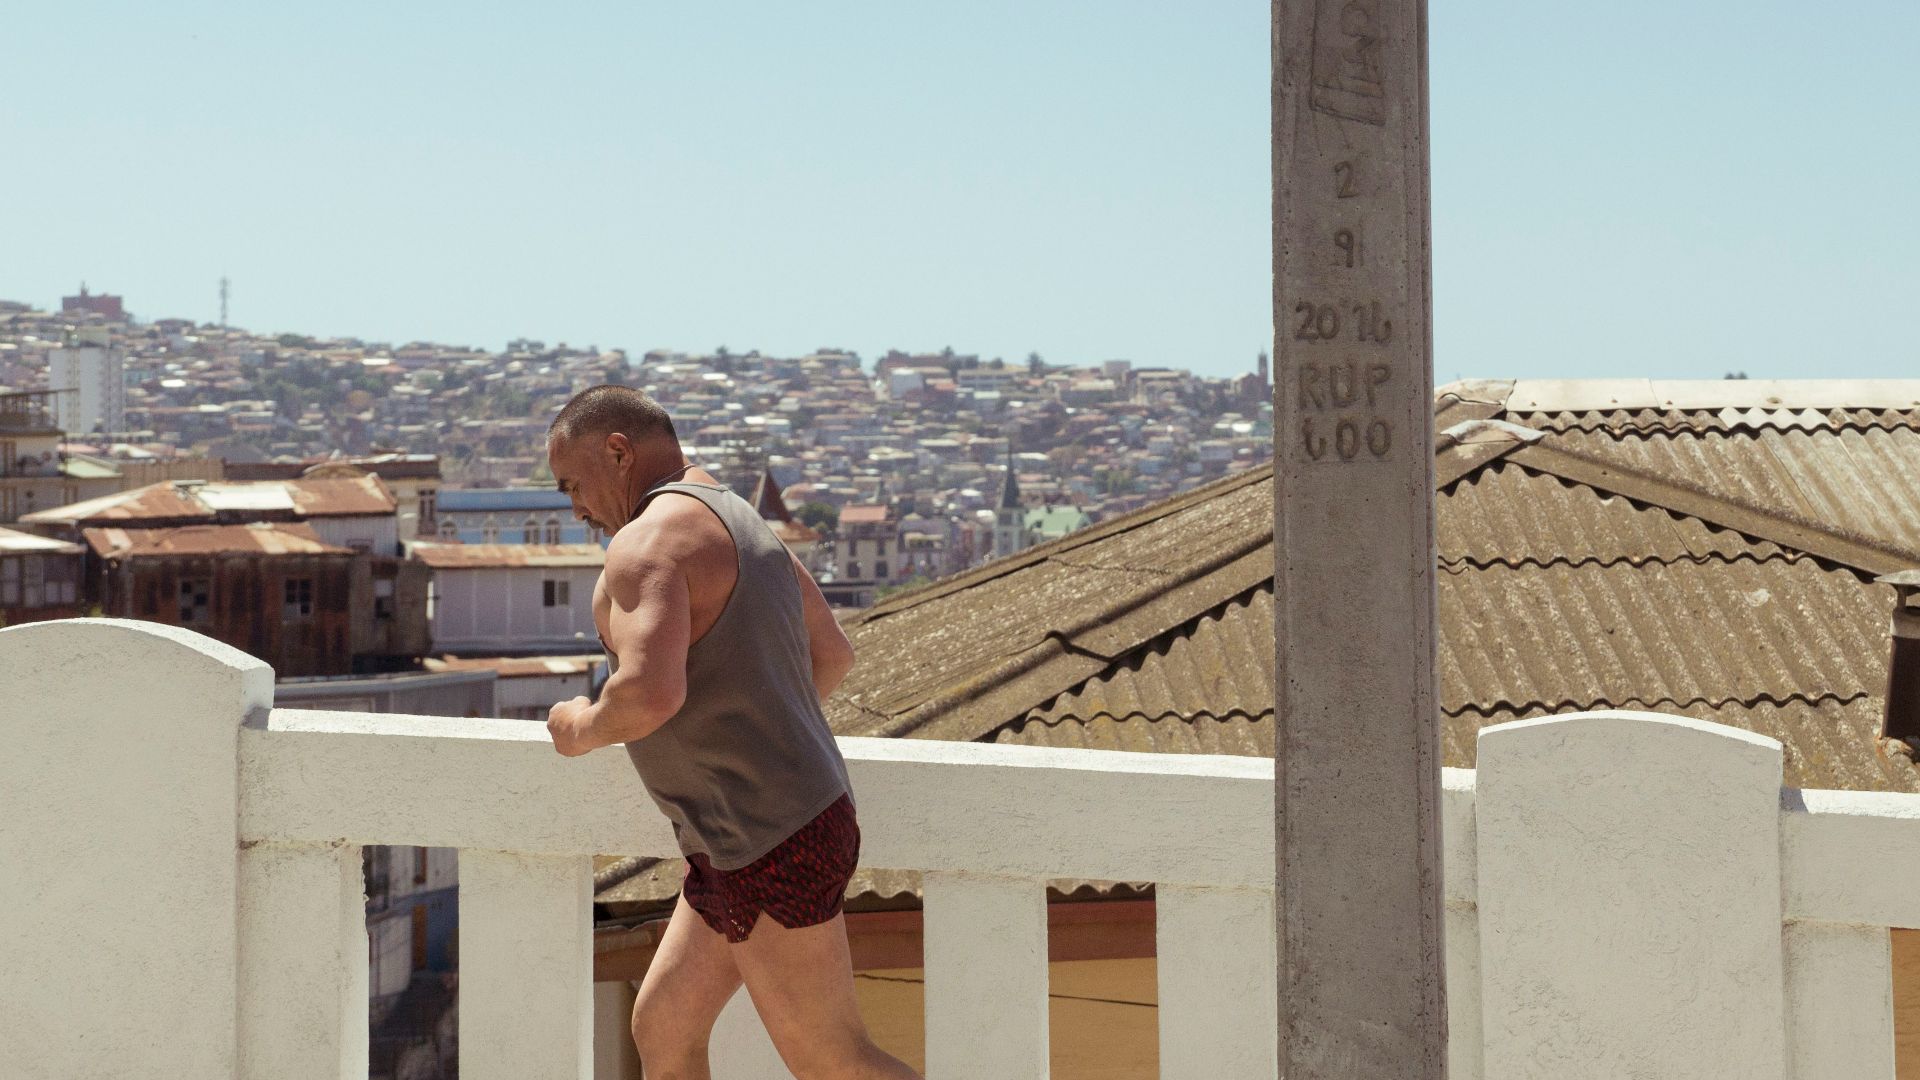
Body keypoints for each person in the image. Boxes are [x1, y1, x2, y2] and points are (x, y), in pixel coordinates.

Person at [542, 385, 921, 1080]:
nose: (577, 510)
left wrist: (578, 727)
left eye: (573, 484)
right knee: (664, 1027)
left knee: (834, 1060)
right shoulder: (737, 517)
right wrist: (754, 723)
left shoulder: (646, 543)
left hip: (767, 837)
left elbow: (648, 695)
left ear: (619, 453)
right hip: (751, 834)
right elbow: (832, 653)